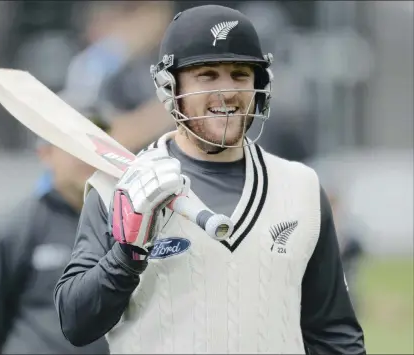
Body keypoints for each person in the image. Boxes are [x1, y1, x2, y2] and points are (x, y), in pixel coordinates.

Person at [54, 5, 366, 354]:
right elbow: (76, 323)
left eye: (239, 75)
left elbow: (333, 332)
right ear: (170, 86)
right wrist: (127, 254)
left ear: (259, 85)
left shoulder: (302, 188)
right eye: (207, 75)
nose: (227, 92)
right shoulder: (117, 191)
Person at [0, 95, 109, 355]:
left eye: (95, 141)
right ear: (45, 153)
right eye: (73, 143)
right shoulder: (10, 229)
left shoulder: (127, 228)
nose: (87, 154)